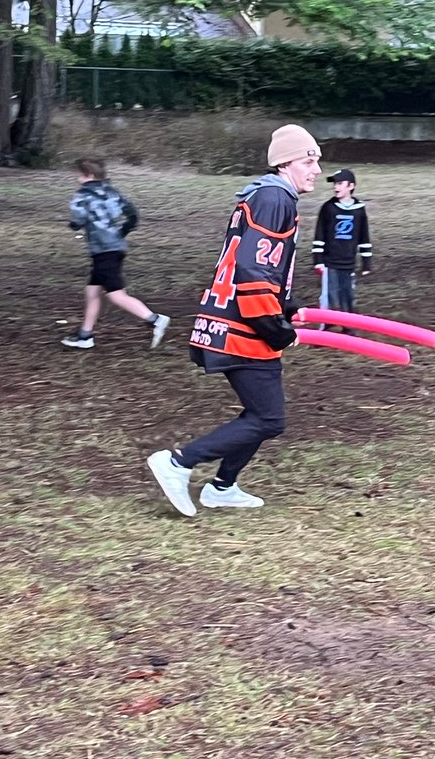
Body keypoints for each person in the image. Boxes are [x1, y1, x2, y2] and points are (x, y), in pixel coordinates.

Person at [146, 124, 322, 518]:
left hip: (232, 320)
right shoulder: (276, 199)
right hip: (243, 327)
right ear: (285, 163)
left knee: (261, 414)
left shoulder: (265, 196)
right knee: (269, 418)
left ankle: (222, 487)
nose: (316, 170)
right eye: (308, 160)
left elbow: (264, 267)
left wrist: (287, 307)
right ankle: (178, 463)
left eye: (316, 161)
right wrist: (276, 329)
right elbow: (253, 271)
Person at [61, 158, 170, 351]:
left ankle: (155, 320)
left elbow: (78, 219)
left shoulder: (82, 195)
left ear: (89, 175)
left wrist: (75, 225)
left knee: (116, 295)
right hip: (116, 247)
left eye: (80, 174)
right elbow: (133, 214)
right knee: (92, 292)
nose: (77, 178)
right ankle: (85, 336)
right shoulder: (112, 192)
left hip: (102, 250)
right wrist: (122, 231)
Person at [312, 167, 373, 317]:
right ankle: (327, 327)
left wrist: (367, 262)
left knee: (348, 296)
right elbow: (319, 235)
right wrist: (318, 261)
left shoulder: (359, 210)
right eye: (334, 184)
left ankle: (349, 328)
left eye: (340, 183)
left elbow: (364, 237)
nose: (336, 187)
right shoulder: (328, 208)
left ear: (351, 186)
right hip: (330, 263)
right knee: (330, 296)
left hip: (349, 262)